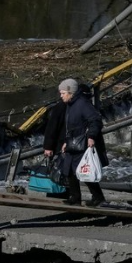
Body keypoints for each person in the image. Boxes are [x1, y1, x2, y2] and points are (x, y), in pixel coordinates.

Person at [44, 78, 109, 207]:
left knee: (85, 172)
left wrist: (91, 137)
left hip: (82, 143)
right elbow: (69, 126)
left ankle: (98, 197)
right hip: (72, 142)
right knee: (68, 170)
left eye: (62, 93)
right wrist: (65, 142)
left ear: (70, 92)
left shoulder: (83, 104)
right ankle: (75, 197)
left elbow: (95, 120)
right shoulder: (70, 104)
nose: (61, 95)